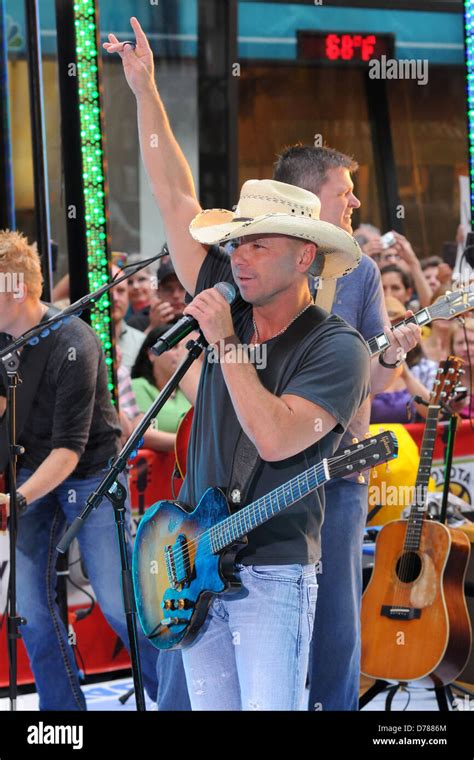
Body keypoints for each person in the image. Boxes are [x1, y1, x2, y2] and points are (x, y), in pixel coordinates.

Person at [104, 19, 420, 711]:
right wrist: (144, 88)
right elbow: (174, 197)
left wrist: (224, 345)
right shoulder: (231, 291)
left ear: (304, 255)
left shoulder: (332, 346)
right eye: (235, 246)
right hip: (198, 560)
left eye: (256, 246)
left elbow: (277, 439)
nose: (236, 257)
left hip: (274, 575)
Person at [272, 144, 421, 710]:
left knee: (337, 611)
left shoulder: (361, 272)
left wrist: (394, 353)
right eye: (345, 191)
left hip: (342, 466)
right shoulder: (257, 259)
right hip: (264, 468)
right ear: (311, 199)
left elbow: (380, 382)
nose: (357, 200)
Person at [0, 230, 159, 710]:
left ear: (15, 288)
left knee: (117, 603)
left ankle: (175, 699)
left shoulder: (75, 341)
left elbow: (68, 452)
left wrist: (18, 499)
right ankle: (63, 721)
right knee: (29, 610)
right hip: (33, 471)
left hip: (91, 472)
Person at [131, 326, 199, 433]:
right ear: (152, 354)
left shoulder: (187, 388)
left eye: (184, 348)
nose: (180, 353)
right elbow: (142, 433)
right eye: (174, 347)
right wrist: (184, 443)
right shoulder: (138, 385)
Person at [110, 263, 146, 370]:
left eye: (121, 291)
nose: (115, 298)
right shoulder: (82, 341)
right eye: (108, 290)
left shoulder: (141, 342)